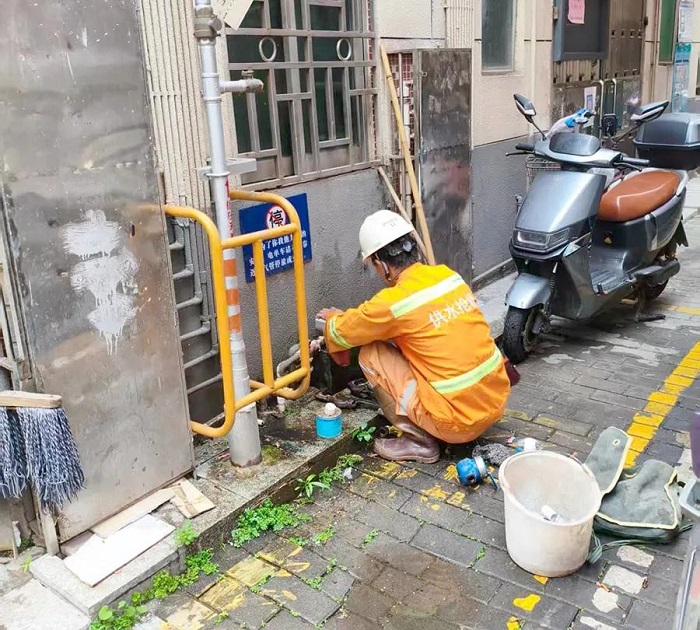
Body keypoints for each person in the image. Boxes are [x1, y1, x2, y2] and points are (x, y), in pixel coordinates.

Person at [316, 210, 511, 463]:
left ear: (381, 264)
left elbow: (341, 332)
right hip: (494, 404)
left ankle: (419, 441)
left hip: (457, 423)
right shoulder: (448, 277)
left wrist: (333, 317)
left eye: (373, 265)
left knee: (371, 353)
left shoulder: (394, 302)